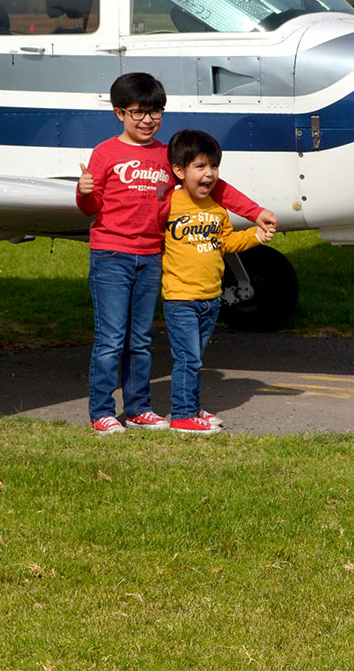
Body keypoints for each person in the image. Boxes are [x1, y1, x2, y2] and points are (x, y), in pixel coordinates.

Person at [77, 73, 277, 436]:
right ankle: (101, 411)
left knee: (140, 340)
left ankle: (138, 409)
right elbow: (90, 207)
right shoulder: (105, 153)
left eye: (155, 112)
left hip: (151, 256)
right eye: (138, 112)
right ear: (119, 113)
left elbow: (218, 189)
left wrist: (255, 212)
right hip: (111, 255)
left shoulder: (166, 156)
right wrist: (84, 191)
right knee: (111, 340)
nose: (147, 120)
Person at [161, 129, 272, 434]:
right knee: (187, 359)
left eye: (214, 166)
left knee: (195, 359)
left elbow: (226, 243)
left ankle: (192, 407)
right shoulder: (169, 204)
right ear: (179, 171)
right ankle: (182, 415)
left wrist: (256, 235)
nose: (209, 174)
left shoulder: (216, 207)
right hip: (180, 298)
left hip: (211, 299)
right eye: (200, 166)